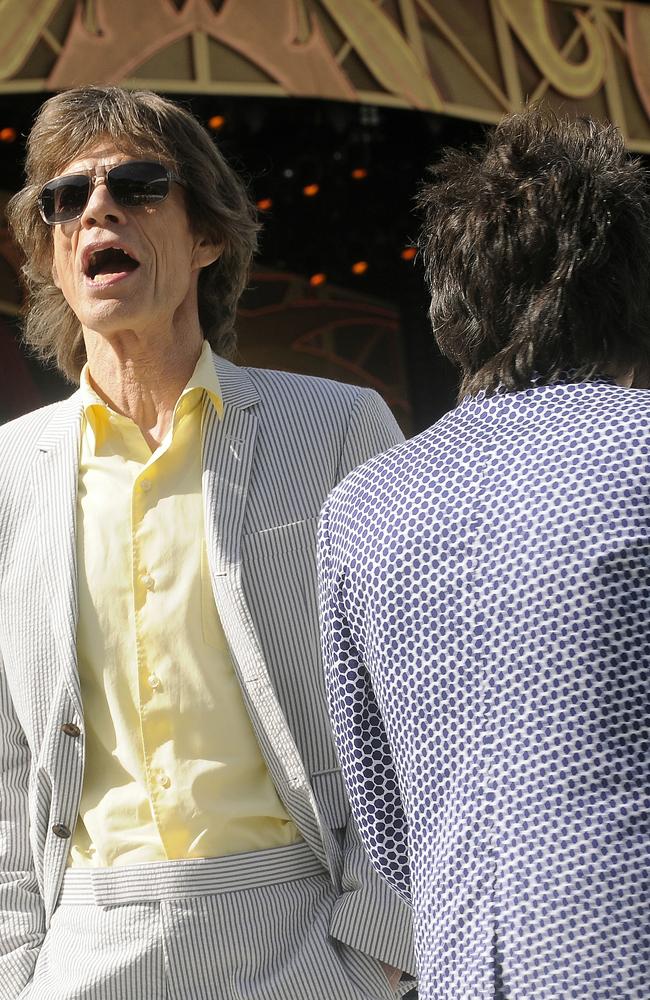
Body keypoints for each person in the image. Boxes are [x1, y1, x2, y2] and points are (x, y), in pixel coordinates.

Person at [0, 86, 415, 999]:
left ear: (208, 237)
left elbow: (414, 705)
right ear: (54, 257)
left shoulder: (339, 428)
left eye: (138, 184)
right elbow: (5, 755)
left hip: (304, 946)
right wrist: (16, 971)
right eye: (64, 199)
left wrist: (377, 952)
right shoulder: (11, 473)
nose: (95, 209)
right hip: (80, 950)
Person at [318, 107, 650, 1000]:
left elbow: (388, 829)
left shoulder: (359, 510)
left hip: (470, 963)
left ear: (452, 305)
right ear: (626, 290)